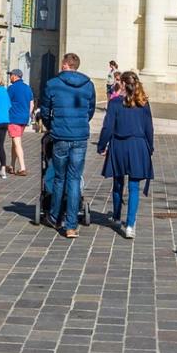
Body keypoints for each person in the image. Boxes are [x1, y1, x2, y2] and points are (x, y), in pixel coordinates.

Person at [42, 53, 97, 239]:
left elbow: (45, 110)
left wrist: (52, 126)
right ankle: (71, 225)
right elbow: (90, 109)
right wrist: (81, 123)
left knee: (59, 177)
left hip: (60, 135)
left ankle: (54, 215)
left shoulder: (53, 83)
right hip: (80, 136)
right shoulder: (88, 84)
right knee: (74, 178)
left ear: (65, 65)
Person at [98, 71, 155, 239]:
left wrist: (102, 145)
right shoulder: (144, 103)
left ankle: (116, 216)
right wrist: (149, 147)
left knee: (118, 182)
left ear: (122, 84)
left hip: (119, 145)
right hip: (138, 145)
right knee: (134, 187)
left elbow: (107, 127)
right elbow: (149, 128)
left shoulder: (115, 103)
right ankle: (130, 224)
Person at [6, 69, 34, 176]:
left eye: (11, 75)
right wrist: (28, 114)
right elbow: (31, 103)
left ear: (15, 76)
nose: (10, 77)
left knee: (17, 142)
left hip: (14, 118)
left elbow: (6, 103)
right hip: (24, 118)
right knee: (15, 141)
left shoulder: (11, 88)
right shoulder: (27, 88)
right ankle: (12, 165)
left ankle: (22, 167)